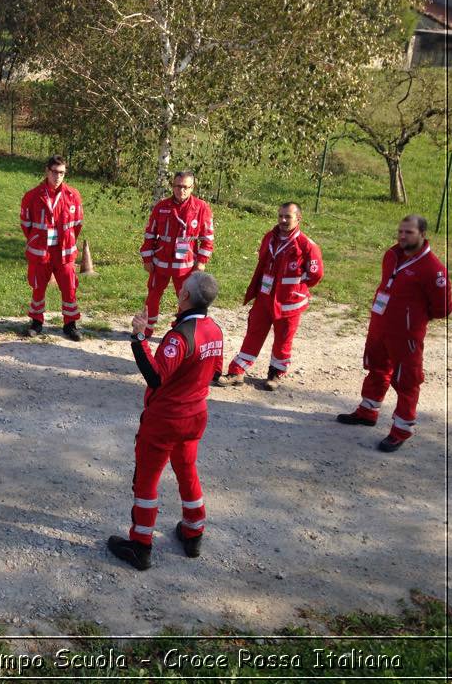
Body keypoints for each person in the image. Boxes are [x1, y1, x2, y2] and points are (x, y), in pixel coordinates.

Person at [107, 272, 224, 569]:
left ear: (185, 297)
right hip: (195, 416)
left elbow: (156, 376)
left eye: (181, 289)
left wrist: (139, 337)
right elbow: (215, 372)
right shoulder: (215, 330)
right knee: (187, 471)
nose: (178, 291)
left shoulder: (180, 336)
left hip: (166, 420)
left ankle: (140, 545)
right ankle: (193, 531)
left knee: (146, 480)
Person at [336, 215, 452, 452]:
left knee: (407, 380)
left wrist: (411, 319)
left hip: (406, 335)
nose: (402, 236)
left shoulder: (433, 269)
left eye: (408, 232)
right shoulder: (391, 255)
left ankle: (401, 430)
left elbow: (442, 308)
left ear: (422, 234)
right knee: (376, 368)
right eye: (400, 231)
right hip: (380, 326)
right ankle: (368, 411)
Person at [214, 202, 323, 391]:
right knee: (253, 334)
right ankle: (236, 371)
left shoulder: (307, 245)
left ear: (298, 218)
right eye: (280, 215)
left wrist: (294, 284)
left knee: (283, 339)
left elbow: (316, 274)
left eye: (287, 217)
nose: (282, 220)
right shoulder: (269, 238)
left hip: (289, 303)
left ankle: (276, 373)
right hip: (264, 298)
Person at [140, 171, 214, 338]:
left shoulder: (201, 208)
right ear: (172, 186)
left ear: (192, 188)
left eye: (185, 187)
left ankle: (181, 329)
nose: (181, 191)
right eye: (178, 186)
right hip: (160, 263)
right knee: (153, 295)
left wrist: (201, 261)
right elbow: (150, 234)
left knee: (186, 299)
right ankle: (147, 328)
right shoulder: (161, 206)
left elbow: (207, 239)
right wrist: (147, 258)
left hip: (186, 266)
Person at [19, 155, 85, 341]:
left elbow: (77, 224)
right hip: (41, 251)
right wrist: (37, 240)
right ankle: (36, 322)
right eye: (54, 172)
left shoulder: (73, 196)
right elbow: (26, 225)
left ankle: (70, 324)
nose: (58, 176)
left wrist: (68, 240)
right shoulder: (33, 196)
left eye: (62, 173)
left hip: (64, 251)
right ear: (47, 171)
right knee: (38, 287)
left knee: (69, 287)